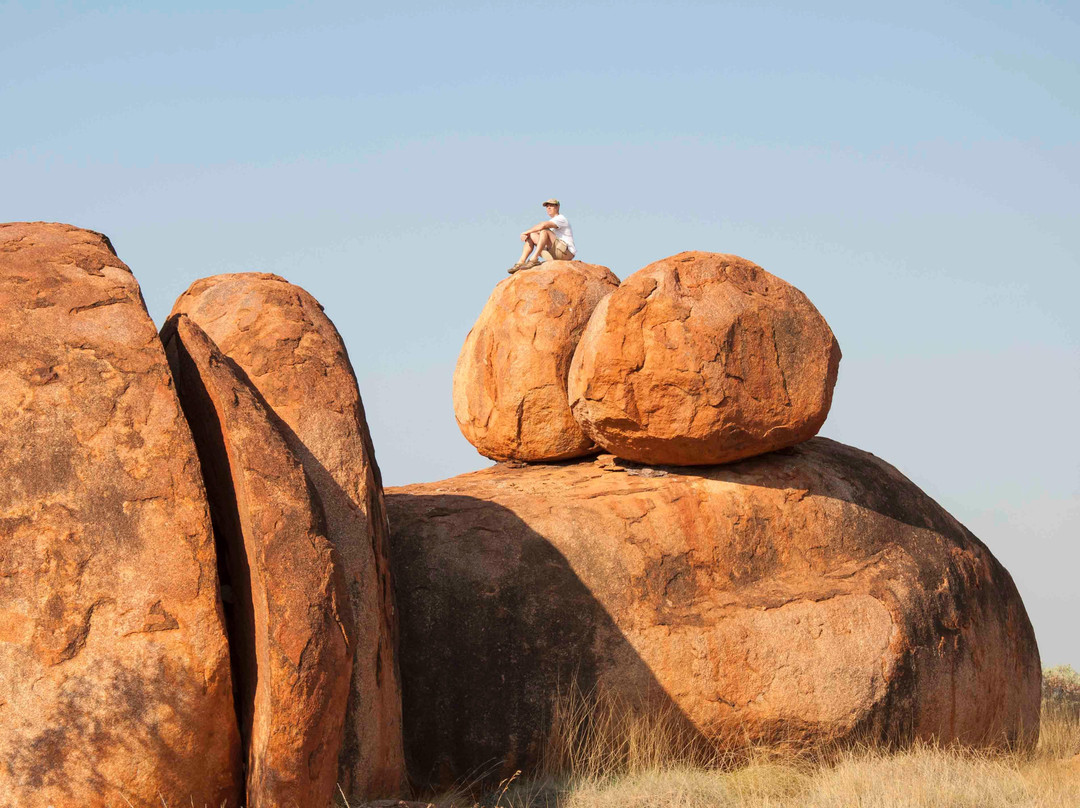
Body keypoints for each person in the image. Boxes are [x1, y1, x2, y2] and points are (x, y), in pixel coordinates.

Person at [509, 199, 576, 273]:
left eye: (551, 206)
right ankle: (520, 262)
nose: (548, 208)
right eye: (547, 206)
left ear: (557, 207)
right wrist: (528, 234)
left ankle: (534, 259)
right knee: (532, 235)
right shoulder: (552, 221)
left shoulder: (561, 219)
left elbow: (543, 225)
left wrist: (525, 232)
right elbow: (537, 230)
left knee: (544, 231)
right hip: (554, 253)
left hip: (566, 253)